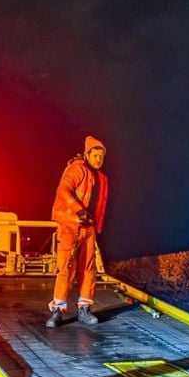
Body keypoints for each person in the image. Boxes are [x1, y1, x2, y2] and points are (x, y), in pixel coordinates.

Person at [47, 135, 110, 327]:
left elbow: (100, 205)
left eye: (101, 156)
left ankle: (84, 308)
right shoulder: (77, 170)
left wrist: (95, 226)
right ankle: (57, 309)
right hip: (71, 225)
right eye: (96, 155)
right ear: (87, 154)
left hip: (88, 228)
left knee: (88, 269)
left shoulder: (102, 178)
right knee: (66, 267)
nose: (99, 159)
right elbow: (63, 190)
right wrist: (78, 210)